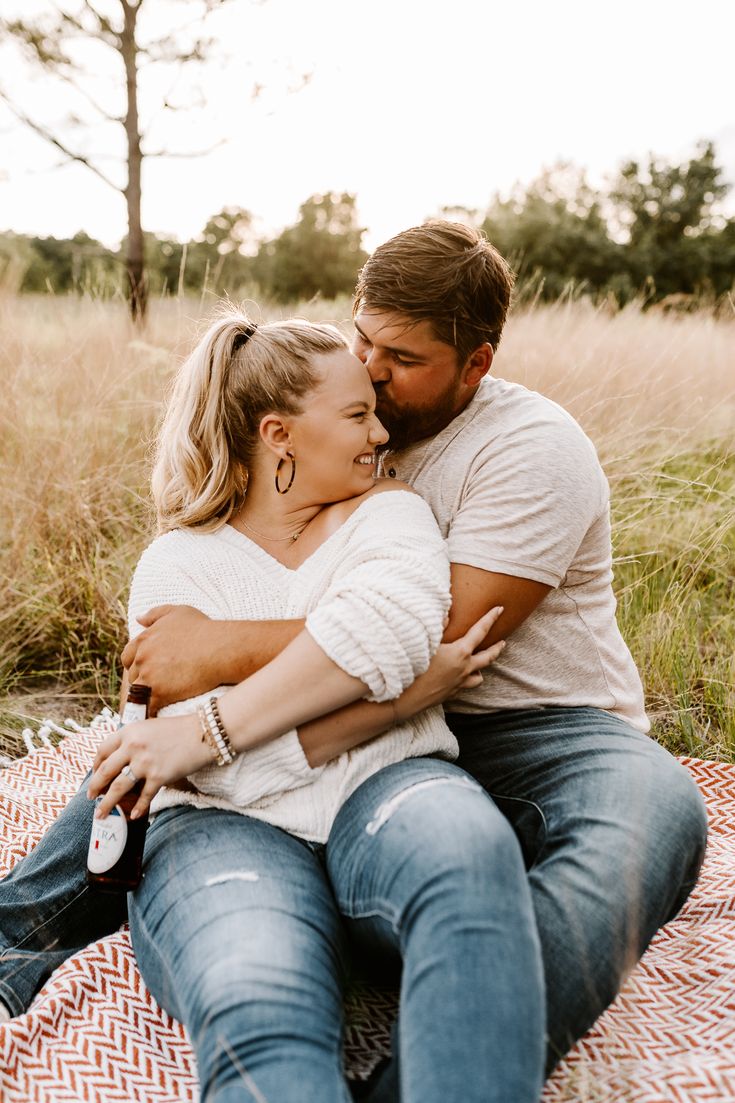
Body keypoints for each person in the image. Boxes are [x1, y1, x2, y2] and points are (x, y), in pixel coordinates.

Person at [0, 220, 707, 1084]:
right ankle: (18, 936)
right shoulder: (328, 423)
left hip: (523, 723)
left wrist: (215, 656)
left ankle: (424, 1067)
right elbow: (258, 676)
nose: (369, 371)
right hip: (359, 713)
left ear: (474, 364)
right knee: (147, 770)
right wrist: (189, 713)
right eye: (361, 339)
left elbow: (429, 645)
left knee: (653, 812)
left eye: (399, 360)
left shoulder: (525, 448)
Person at [0, 311, 544, 1103]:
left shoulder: (388, 513)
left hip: (390, 789)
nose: (380, 431)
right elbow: (210, 778)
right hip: (218, 832)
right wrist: (390, 704)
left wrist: (207, 731)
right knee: (258, 995)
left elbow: (389, 631)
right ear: (277, 432)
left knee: (468, 870)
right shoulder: (176, 566)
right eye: (357, 414)